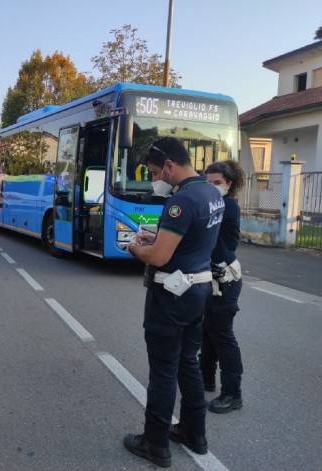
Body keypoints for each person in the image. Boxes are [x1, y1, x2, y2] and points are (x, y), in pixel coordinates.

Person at [123, 137, 225, 468]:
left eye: (155, 171)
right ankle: (195, 434)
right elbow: (191, 241)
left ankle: (155, 444)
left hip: (171, 296)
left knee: (164, 370)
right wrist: (159, 236)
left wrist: (137, 248)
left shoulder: (181, 202)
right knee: (188, 364)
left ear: (169, 165)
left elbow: (160, 255)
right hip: (198, 291)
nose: (156, 179)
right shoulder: (212, 193)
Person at [200, 160, 245, 414]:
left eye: (217, 183)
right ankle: (205, 378)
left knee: (223, 336)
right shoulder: (216, 204)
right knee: (208, 331)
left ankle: (233, 393)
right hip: (212, 277)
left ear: (229, 184)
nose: (212, 188)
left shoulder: (226, 206)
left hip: (225, 280)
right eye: (207, 183)